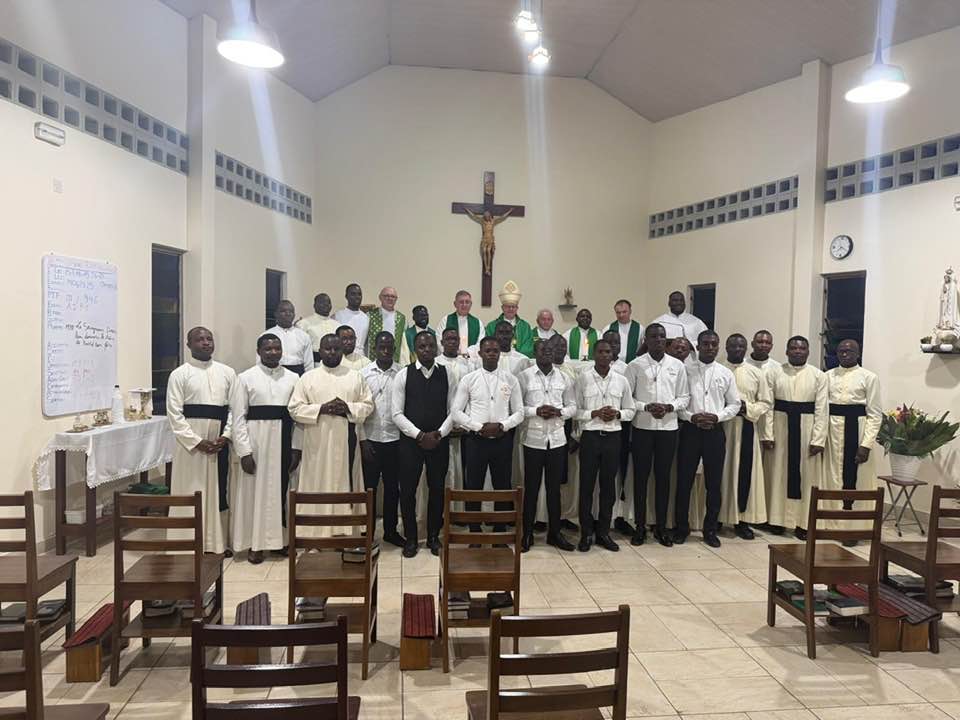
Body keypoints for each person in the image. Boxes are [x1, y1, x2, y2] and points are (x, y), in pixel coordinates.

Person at [287, 334, 373, 536]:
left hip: (346, 444)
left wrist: (347, 407)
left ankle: (347, 532)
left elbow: (368, 405)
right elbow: (294, 409)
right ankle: (315, 534)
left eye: (336, 349)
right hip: (317, 444)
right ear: (320, 351)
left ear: (342, 351)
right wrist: (321, 409)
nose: (332, 352)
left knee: (346, 483)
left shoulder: (355, 376)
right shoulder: (308, 378)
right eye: (328, 348)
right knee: (317, 484)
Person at [230, 334, 302, 563]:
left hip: (284, 439)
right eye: (268, 348)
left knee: (281, 493)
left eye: (277, 348)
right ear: (259, 351)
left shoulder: (293, 378)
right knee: (255, 494)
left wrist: (296, 447)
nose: (273, 352)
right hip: (257, 442)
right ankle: (255, 544)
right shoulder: (245, 377)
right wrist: (244, 451)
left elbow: (298, 417)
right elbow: (238, 417)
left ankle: (280, 541)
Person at [166, 327, 236, 555]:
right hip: (190, 446)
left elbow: (234, 409)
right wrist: (197, 441)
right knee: (190, 489)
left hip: (218, 442)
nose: (206, 343)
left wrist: (226, 436)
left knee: (218, 491)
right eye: (199, 339)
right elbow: (174, 414)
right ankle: (185, 542)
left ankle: (216, 543)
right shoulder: (179, 374)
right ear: (189, 345)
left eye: (209, 339)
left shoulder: (227, 373)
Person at [626, 323, 689, 546]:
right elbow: (628, 398)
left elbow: (684, 397)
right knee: (640, 478)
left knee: (663, 479)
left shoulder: (677, 365)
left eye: (662, 336)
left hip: (668, 428)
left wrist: (670, 407)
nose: (659, 340)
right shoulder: (635, 365)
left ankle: (661, 527)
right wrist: (646, 407)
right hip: (642, 427)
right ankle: (640, 526)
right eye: (654, 336)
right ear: (646, 340)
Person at [452, 337, 524, 531]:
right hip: (476, 440)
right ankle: (474, 530)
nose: (492, 354)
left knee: (502, 485)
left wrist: (502, 425)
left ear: (500, 354)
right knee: (473, 486)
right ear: (480, 353)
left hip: (502, 440)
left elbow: (519, 412)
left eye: (495, 351)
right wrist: (478, 427)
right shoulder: (469, 379)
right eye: (488, 350)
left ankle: (499, 531)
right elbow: (456, 411)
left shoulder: (510, 379)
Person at [676, 330, 741, 548]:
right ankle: (681, 528)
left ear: (718, 346)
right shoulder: (685, 370)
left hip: (715, 431)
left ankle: (710, 529)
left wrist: (717, 417)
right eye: (706, 344)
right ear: (698, 346)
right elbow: (679, 402)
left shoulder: (725, 373)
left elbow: (734, 404)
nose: (710, 348)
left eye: (714, 344)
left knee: (713, 484)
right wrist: (691, 417)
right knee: (684, 481)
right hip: (690, 430)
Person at [392, 331, 454, 557]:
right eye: (421, 346)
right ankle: (411, 538)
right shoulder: (403, 375)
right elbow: (396, 413)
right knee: (408, 491)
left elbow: (454, 410)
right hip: (411, 444)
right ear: (415, 349)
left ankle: (433, 537)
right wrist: (419, 435)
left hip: (438, 442)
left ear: (436, 348)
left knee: (437, 490)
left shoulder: (447, 374)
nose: (427, 350)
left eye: (430, 346)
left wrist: (439, 434)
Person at [575, 339, 636, 552]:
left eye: (608, 352)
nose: (604, 355)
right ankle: (586, 533)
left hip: (612, 438)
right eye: (600, 351)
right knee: (586, 486)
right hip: (590, 437)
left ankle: (603, 532)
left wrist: (617, 414)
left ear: (612, 355)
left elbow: (630, 410)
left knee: (608, 487)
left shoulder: (621, 380)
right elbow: (575, 410)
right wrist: (594, 413)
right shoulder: (583, 379)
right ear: (594, 354)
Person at [766, 336, 827, 540]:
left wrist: (818, 439)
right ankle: (777, 520)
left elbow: (822, 409)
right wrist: (768, 434)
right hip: (781, 427)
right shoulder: (775, 372)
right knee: (778, 474)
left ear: (808, 351)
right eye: (793, 348)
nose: (797, 351)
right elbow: (768, 405)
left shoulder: (818, 376)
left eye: (802, 348)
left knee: (807, 477)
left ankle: (803, 522)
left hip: (806, 430)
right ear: (786, 351)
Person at [519, 339, 577, 552]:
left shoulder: (564, 377)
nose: (547, 353)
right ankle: (527, 533)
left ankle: (555, 533)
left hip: (557, 440)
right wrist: (536, 411)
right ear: (535, 352)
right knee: (531, 489)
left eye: (550, 350)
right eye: (543, 350)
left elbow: (573, 406)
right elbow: (517, 408)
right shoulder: (524, 376)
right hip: (533, 440)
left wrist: (559, 412)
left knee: (554, 490)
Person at [823, 339, 882, 540]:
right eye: (841, 351)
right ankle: (830, 524)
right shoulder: (827, 376)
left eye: (849, 351)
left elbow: (875, 414)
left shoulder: (869, 377)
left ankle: (853, 528)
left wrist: (866, 445)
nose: (844, 354)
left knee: (856, 479)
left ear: (858, 353)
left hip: (857, 430)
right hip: (832, 431)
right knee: (832, 477)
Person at [719, 334, 772, 540]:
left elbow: (766, 402)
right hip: (722, 427)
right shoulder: (718, 369)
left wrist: (747, 408)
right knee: (720, 472)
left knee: (744, 473)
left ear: (746, 348)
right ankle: (717, 517)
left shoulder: (755, 372)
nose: (737, 349)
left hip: (746, 428)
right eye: (733, 346)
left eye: (741, 346)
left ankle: (742, 520)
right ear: (726, 347)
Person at [358, 332, 404, 549]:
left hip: (395, 439)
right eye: (381, 347)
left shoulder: (402, 373)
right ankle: (367, 532)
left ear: (394, 348)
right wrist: (363, 440)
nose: (385, 350)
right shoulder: (363, 374)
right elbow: (358, 410)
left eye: (389, 347)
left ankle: (390, 531)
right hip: (371, 439)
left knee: (393, 488)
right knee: (370, 488)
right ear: (374, 348)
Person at [436, 328, 475, 504]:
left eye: (455, 339)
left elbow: (473, 397)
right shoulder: (436, 363)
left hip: (464, 426)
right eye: (448, 339)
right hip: (441, 426)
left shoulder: (468, 365)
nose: (452, 342)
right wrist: (446, 425)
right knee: (442, 470)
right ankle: (442, 509)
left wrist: (464, 424)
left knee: (463, 470)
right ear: (442, 342)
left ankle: (459, 510)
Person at [601, 330, 632, 535]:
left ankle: (619, 516)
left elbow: (630, 401)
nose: (612, 346)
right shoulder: (591, 370)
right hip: (597, 428)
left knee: (620, 475)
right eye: (609, 342)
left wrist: (618, 414)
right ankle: (598, 518)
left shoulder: (627, 368)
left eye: (616, 342)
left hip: (621, 427)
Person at [335, 324, 369, 487]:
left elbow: (366, 400)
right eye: (344, 339)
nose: (348, 342)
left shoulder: (365, 363)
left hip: (358, 423)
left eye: (351, 338)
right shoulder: (329, 362)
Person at [484, 281, 535, 357]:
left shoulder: (525, 327)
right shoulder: (492, 326)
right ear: (502, 308)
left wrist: (515, 357)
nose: (511, 309)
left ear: (517, 308)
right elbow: (488, 345)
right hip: (498, 359)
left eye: (513, 306)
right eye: (508, 306)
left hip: (520, 360)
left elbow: (528, 347)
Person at [263, 300, 313, 375]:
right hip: (274, 373)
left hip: (298, 373)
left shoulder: (304, 336)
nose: (288, 314)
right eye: (283, 311)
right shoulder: (266, 335)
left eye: (291, 311)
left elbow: (309, 364)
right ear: (276, 314)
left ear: (294, 315)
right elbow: (260, 362)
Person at [365, 286, 407, 362]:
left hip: (395, 361)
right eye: (386, 296)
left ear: (396, 299)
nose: (390, 298)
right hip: (373, 360)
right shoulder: (370, 315)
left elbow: (404, 345)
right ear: (380, 297)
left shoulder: (402, 319)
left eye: (393, 296)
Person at [297, 292, 338, 364]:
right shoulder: (303, 324)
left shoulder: (337, 325)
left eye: (328, 302)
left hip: (334, 363)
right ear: (314, 305)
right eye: (322, 302)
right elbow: (300, 349)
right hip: (313, 363)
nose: (326, 304)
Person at [334, 283, 370, 353]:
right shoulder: (337, 316)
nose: (357, 297)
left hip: (361, 356)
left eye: (359, 294)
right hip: (343, 355)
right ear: (346, 296)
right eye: (353, 294)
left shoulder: (366, 318)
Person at [444, 290, 482, 354]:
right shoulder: (446, 320)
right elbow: (440, 341)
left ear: (471, 304)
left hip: (471, 358)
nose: (464, 305)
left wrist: (467, 353)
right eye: (461, 302)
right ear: (455, 304)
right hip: (450, 358)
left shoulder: (478, 322)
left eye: (467, 302)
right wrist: (453, 354)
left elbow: (480, 344)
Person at [607, 299, 644, 363]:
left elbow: (643, 349)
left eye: (624, 312)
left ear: (630, 311)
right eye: (618, 312)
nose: (621, 315)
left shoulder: (640, 329)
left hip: (633, 364)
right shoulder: (608, 329)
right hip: (613, 364)